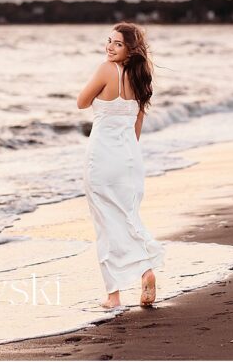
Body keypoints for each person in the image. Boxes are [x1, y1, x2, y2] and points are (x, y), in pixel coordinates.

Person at [76, 22, 165, 309]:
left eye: (117, 44)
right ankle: (145, 270)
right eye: (109, 41)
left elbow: (81, 102)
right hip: (129, 159)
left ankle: (113, 296)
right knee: (128, 217)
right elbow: (136, 127)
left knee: (105, 224)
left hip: (102, 158)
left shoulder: (105, 70)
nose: (109, 47)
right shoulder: (140, 78)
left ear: (129, 49)